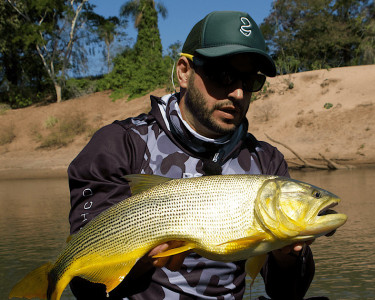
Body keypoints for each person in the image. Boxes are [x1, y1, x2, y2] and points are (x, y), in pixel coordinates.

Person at [68, 11, 316, 300]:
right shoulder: (119, 144)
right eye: (224, 75)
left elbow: (288, 293)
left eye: (250, 81)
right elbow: (85, 287)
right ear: (184, 71)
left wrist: (289, 256)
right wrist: (140, 263)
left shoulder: (266, 162)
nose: (237, 93)